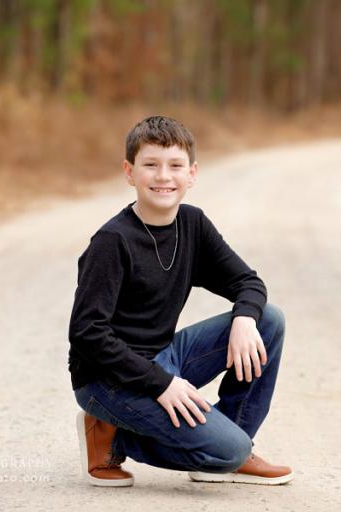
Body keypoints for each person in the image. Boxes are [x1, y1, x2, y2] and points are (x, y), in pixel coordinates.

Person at [68, 115, 292, 487]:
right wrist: (161, 383)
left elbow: (247, 281)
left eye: (175, 166)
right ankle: (110, 433)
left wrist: (245, 319)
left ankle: (228, 449)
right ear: (129, 172)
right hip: (107, 380)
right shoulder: (111, 242)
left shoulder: (192, 224)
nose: (163, 177)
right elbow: (87, 334)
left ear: (191, 174)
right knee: (226, 450)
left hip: (165, 356)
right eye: (150, 165)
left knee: (268, 320)